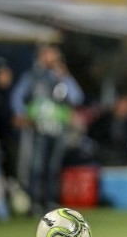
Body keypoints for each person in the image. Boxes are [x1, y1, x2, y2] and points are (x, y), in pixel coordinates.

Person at [11, 44, 84, 215]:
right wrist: (21, 115)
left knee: (53, 168)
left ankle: (50, 202)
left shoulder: (61, 78)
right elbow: (17, 97)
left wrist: (65, 76)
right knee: (36, 167)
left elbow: (77, 97)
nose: (52, 60)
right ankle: (35, 202)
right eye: (48, 56)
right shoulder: (33, 77)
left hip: (58, 128)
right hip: (38, 128)